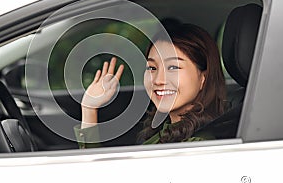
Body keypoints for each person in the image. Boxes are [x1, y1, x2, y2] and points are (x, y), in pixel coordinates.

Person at [74, 20, 226, 147]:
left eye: (173, 67)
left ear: (203, 78)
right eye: (152, 68)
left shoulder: (198, 145)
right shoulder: (164, 129)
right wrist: (89, 109)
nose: (159, 80)